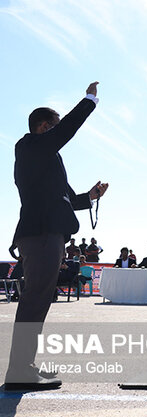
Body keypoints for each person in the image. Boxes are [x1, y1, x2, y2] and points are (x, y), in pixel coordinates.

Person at [4, 81, 108, 391]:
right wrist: (89, 101)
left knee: (38, 301)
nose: (58, 132)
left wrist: (90, 197)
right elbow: (66, 131)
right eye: (55, 126)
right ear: (44, 127)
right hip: (41, 234)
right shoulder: (30, 146)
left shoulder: (44, 158)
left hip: (47, 235)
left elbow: (66, 199)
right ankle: (19, 371)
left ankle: (24, 366)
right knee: (35, 300)